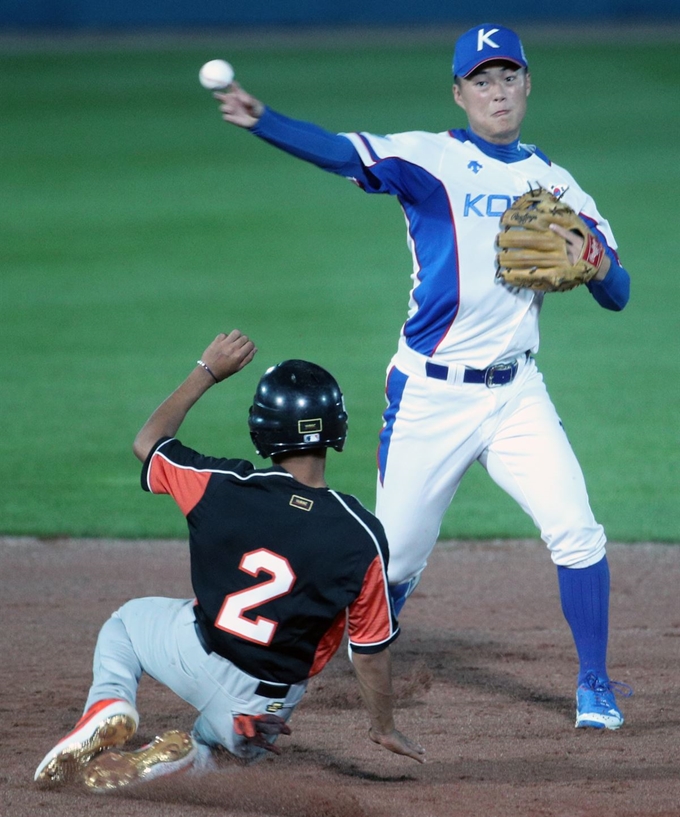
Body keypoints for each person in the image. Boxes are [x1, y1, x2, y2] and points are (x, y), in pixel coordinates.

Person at [212, 24, 633, 730]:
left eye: (508, 77)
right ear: (459, 93)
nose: (497, 91)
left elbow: (617, 291)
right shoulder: (429, 158)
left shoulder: (558, 184)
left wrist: (594, 259)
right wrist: (263, 121)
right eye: (482, 80)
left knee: (578, 531)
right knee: (396, 557)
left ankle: (594, 683)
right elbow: (341, 151)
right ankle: (355, 630)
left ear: (528, 84)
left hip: (516, 393)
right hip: (430, 395)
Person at [34, 329, 425, 792]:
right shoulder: (361, 534)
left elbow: (149, 442)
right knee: (231, 748)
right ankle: (202, 749)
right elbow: (369, 648)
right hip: (263, 707)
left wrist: (207, 373)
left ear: (263, 429)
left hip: (198, 655)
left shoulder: (220, 485)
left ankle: (109, 703)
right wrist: (382, 726)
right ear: (336, 428)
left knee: (125, 624)